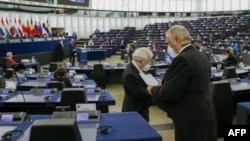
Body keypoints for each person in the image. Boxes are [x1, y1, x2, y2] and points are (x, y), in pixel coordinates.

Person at [147, 25, 216, 141]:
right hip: (205, 110)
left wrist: (152, 90)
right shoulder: (201, 55)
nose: (169, 47)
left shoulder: (182, 59)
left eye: (169, 43)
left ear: (177, 39)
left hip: (190, 116)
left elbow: (169, 93)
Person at [122, 47, 153, 122]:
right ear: (141, 61)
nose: (148, 64)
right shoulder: (130, 74)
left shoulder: (136, 69)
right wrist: (154, 90)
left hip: (139, 109)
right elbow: (141, 94)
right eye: (148, 61)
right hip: (135, 111)